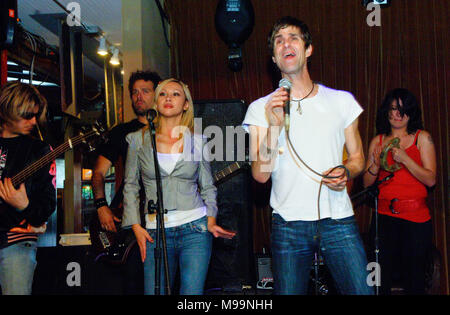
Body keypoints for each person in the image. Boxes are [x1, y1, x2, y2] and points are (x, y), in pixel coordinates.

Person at [242, 16, 373, 295]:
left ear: (308, 49)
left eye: (293, 38)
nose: (285, 44)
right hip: (288, 226)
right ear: (275, 59)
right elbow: (260, 174)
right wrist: (274, 124)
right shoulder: (259, 109)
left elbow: (359, 157)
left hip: (338, 220)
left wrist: (347, 171)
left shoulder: (341, 101)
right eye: (279, 41)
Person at [122, 78, 236, 295]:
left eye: (176, 94)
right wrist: (136, 226)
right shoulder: (137, 140)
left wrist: (211, 218)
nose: (168, 98)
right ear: (156, 102)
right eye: (163, 94)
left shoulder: (198, 140)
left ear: (186, 104)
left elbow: (208, 186)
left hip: (195, 229)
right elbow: (130, 186)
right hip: (154, 232)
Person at [92, 70, 162, 294]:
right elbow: (99, 173)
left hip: (163, 216)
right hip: (129, 217)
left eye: (145, 91)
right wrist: (102, 206)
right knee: (133, 281)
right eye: (134, 92)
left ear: (158, 94)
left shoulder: (171, 130)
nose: (138, 97)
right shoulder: (121, 132)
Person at [363, 88, 436, 295]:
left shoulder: (422, 138)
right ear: (387, 111)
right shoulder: (377, 141)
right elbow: (367, 184)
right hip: (384, 219)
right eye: (393, 109)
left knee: (414, 280)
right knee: (379, 279)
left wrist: (405, 159)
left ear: (410, 113)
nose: (396, 114)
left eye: (402, 110)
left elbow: (431, 179)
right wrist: (375, 165)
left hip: (415, 219)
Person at [0, 82, 56, 295]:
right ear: (8, 111)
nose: (33, 121)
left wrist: (24, 205)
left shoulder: (39, 150)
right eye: (27, 116)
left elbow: (48, 204)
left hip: (16, 242)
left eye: (35, 115)